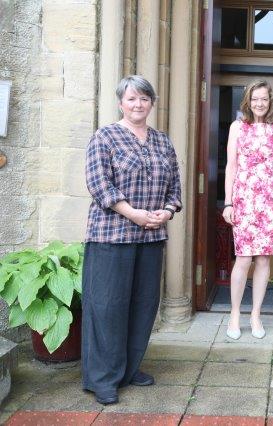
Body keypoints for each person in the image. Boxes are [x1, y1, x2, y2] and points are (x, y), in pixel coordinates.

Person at [82, 75, 182, 405]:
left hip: (151, 237)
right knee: (108, 308)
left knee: (142, 306)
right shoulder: (105, 137)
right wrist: (135, 213)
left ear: (152, 102)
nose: (138, 104)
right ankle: (103, 379)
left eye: (143, 98)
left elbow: (175, 189)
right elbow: (100, 186)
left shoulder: (163, 142)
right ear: (120, 103)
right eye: (131, 99)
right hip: (112, 236)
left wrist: (166, 212)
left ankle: (128, 369)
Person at [222, 80, 273, 340]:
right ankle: (235, 314)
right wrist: (228, 202)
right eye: (255, 99)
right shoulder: (238, 128)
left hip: (271, 201)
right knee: (244, 258)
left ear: (270, 101)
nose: (259, 103)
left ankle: (256, 314)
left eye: (264, 99)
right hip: (245, 199)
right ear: (247, 101)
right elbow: (231, 166)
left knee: (263, 259)